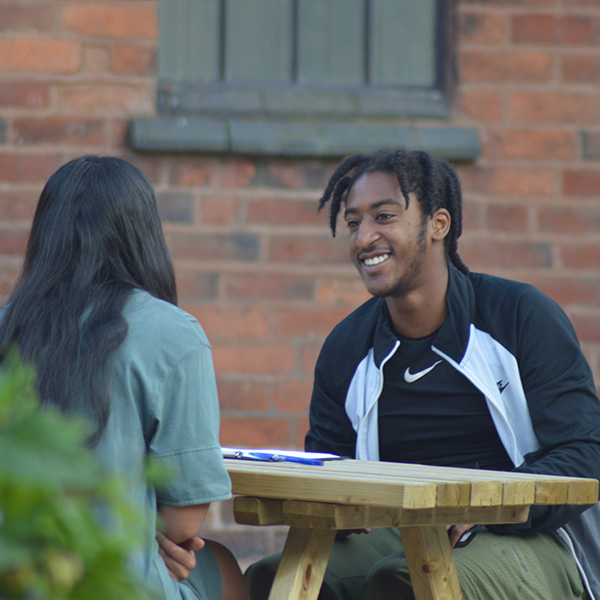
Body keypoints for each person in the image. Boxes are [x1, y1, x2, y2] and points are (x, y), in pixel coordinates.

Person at [245, 148, 600, 600]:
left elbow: (583, 456)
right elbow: (329, 466)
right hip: (401, 529)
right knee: (273, 578)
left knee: (401, 582)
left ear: (438, 224)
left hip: (526, 532)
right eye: (354, 223)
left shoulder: (519, 317)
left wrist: (490, 504)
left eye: (384, 217)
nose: (363, 238)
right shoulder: (346, 347)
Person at [0, 156, 249, 600]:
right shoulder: (173, 334)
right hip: (113, 583)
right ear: (143, 234)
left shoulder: (7, 326)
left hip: (15, 576)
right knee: (225, 568)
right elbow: (184, 523)